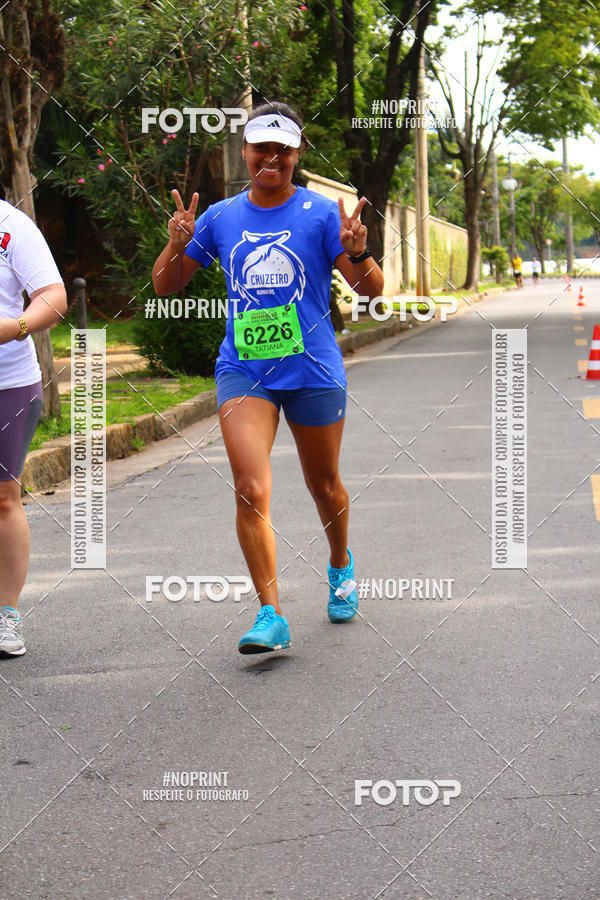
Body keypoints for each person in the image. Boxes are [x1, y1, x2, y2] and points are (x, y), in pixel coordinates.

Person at [152, 101, 384, 654]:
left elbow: (373, 291)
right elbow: (166, 286)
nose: (271, 158)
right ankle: (271, 613)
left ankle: (339, 563)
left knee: (323, 485)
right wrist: (176, 243)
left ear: (297, 154)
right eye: (262, 148)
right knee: (250, 486)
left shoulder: (322, 215)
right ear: (246, 151)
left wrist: (360, 251)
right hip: (246, 369)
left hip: (312, 368)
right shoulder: (222, 217)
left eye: (283, 149)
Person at [0, 199, 66, 656]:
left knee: (3, 497)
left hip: (8, 382)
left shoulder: (9, 223)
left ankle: (6, 615)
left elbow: (52, 296)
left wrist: (18, 325)